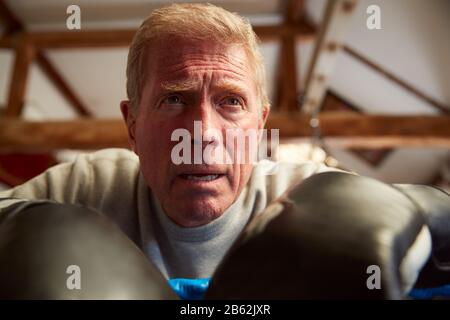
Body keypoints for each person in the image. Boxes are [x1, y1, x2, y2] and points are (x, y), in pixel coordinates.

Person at [0, 3, 448, 300]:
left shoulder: (308, 194)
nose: (202, 132)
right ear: (132, 124)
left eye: (231, 102)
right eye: (174, 98)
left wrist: (431, 213)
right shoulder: (85, 187)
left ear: (259, 127)